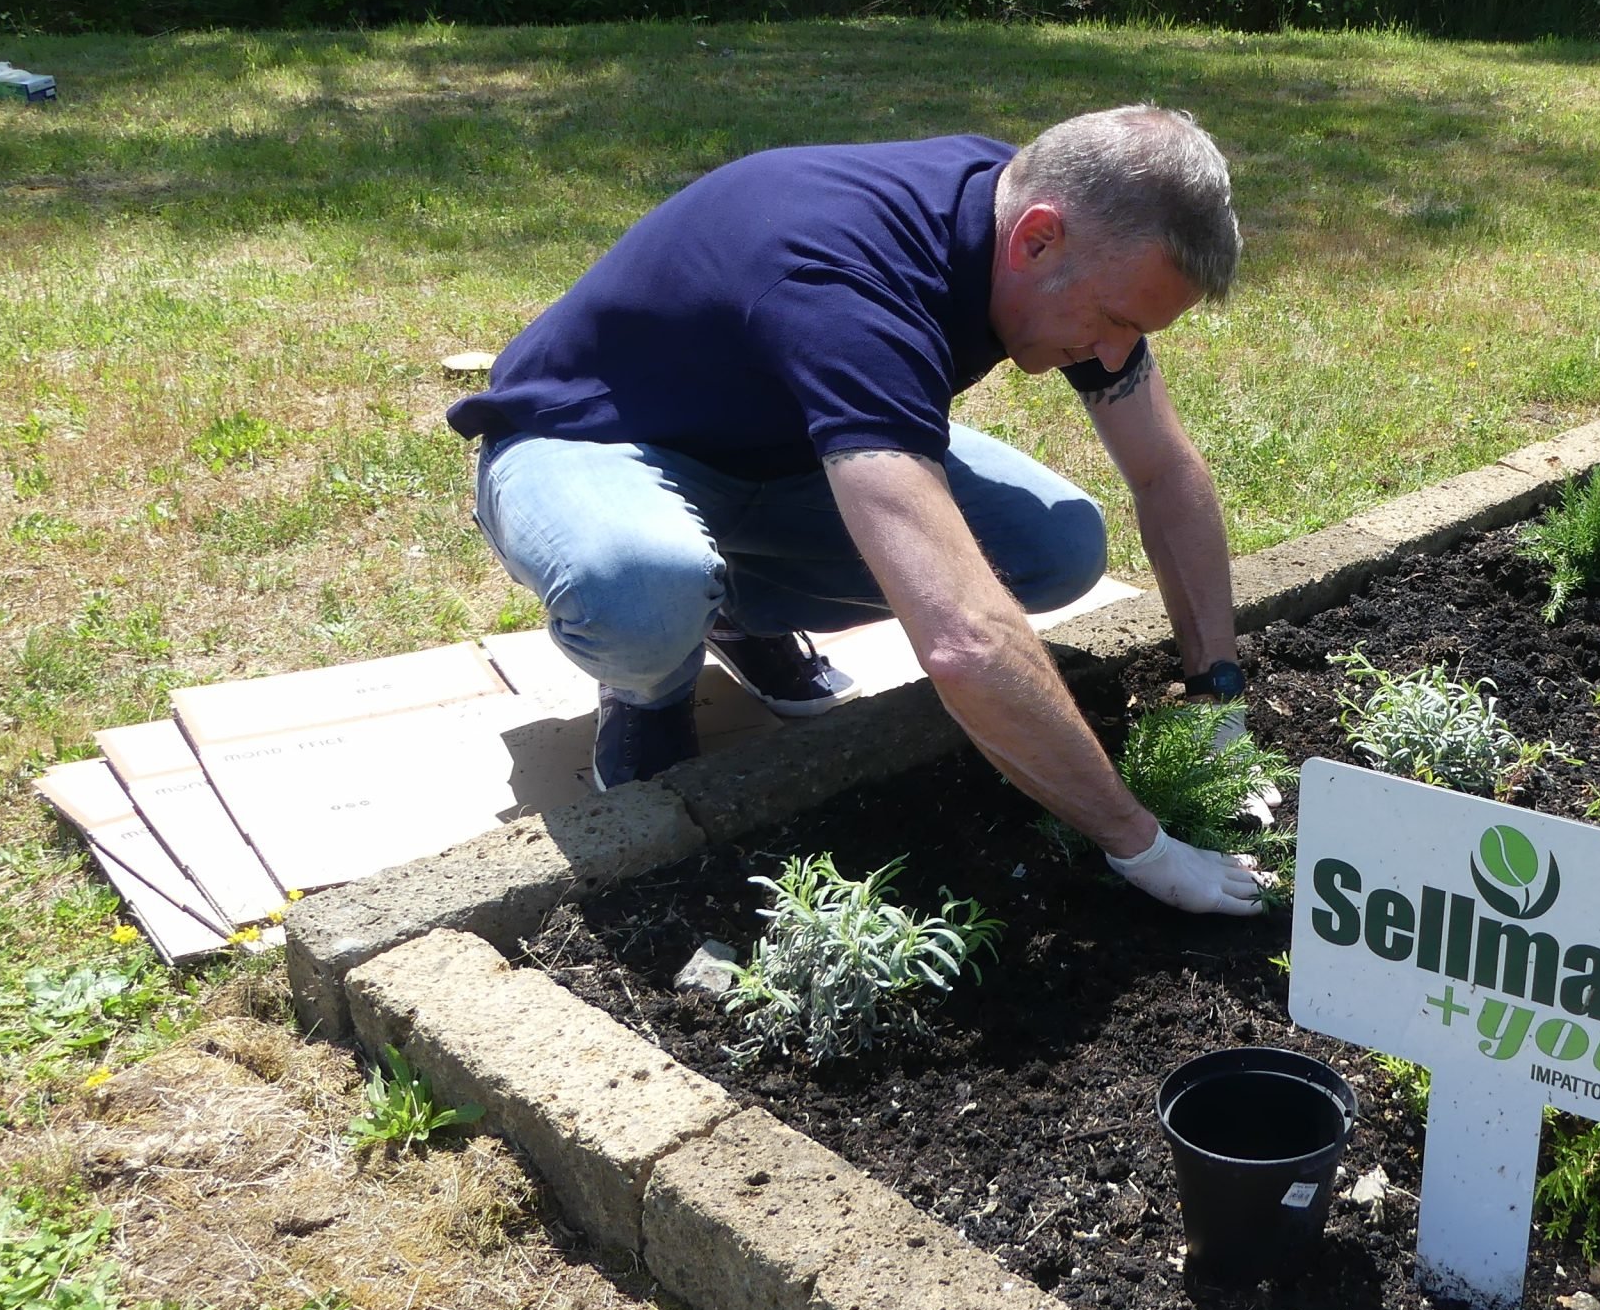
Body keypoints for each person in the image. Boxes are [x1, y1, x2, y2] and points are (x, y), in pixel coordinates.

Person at [448, 105, 1269, 917]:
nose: (1114, 356)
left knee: (1055, 545)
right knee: (638, 586)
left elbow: (1162, 471)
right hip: (589, 442)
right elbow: (960, 640)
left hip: (786, 446)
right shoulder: (849, 287)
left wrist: (1217, 695)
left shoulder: (1038, 215)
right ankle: (652, 688)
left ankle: (731, 611)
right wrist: (1140, 845)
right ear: (1038, 239)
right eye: (1118, 322)